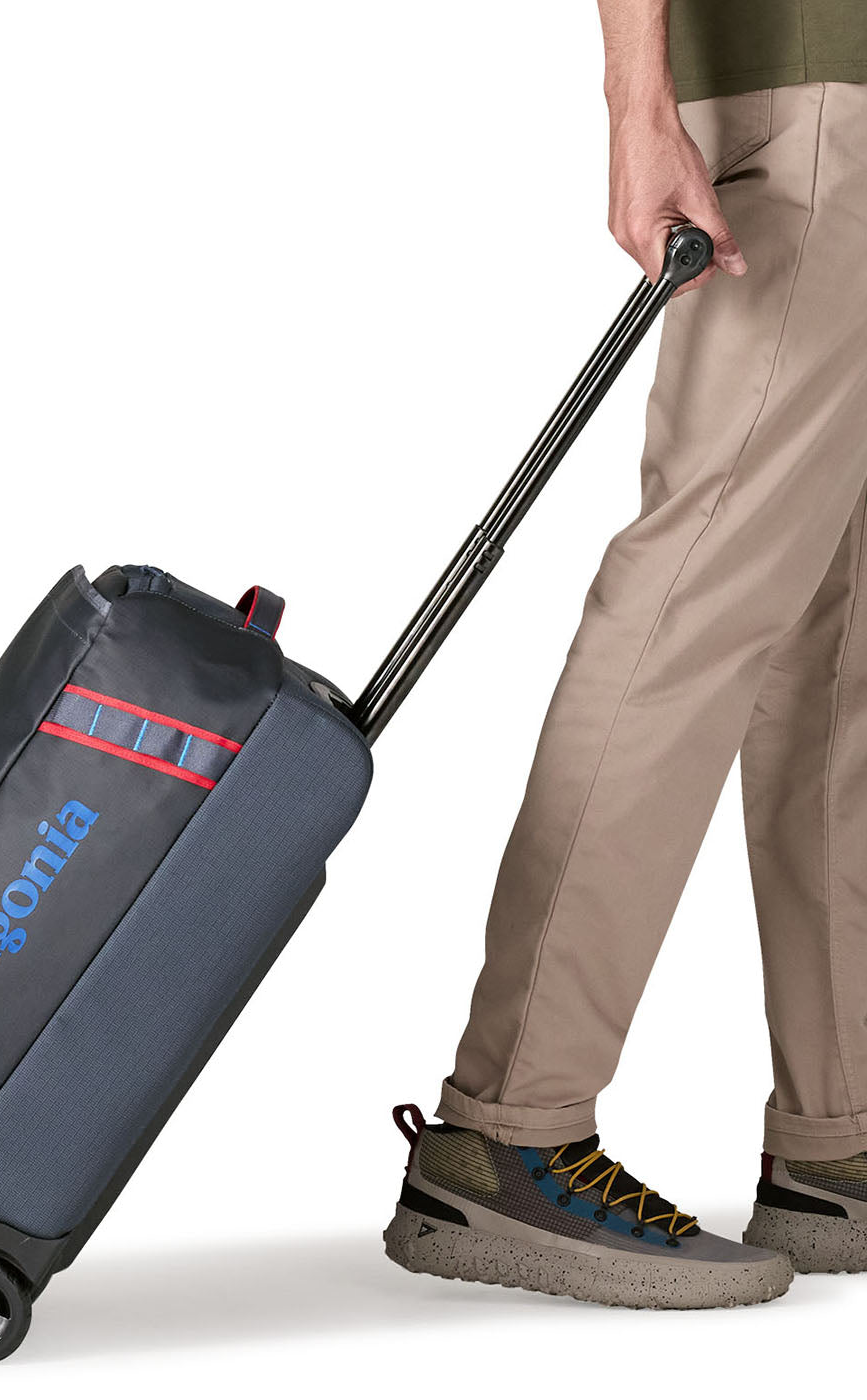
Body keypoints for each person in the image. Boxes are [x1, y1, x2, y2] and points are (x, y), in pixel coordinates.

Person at [386, 0, 867, 1308]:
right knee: (696, 591)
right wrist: (636, 106)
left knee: (835, 636)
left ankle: (837, 1147)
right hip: (809, 90)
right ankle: (507, 1131)